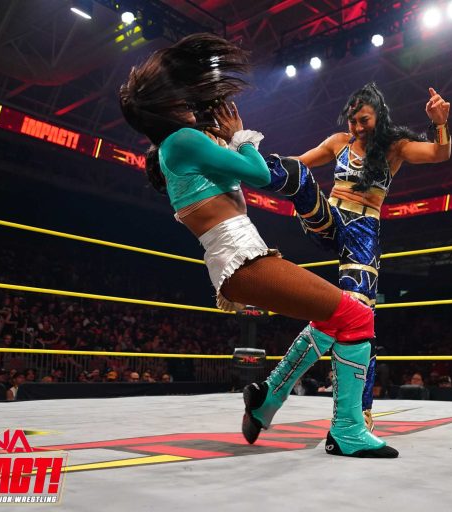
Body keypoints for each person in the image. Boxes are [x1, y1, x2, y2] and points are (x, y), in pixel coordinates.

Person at [119, 33, 396, 458]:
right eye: (184, 100)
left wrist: (228, 139)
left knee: (333, 318)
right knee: (357, 315)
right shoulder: (182, 142)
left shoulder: (178, 147)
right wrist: (240, 135)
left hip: (240, 257)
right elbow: (260, 173)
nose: (192, 105)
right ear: (168, 105)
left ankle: (268, 398)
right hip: (241, 259)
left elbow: (236, 174)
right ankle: (348, 430)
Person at [260, 82, 451, 426]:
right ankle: (235, 166)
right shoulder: (339, 142)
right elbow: (297, 163)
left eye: (364, 120)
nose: (358, 127)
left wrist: (440, 123)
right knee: (295, 173)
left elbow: (439, 154)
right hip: (330, 217)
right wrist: (253, 163)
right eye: (353, 121)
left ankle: (360, 410)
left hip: (363, 230)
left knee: (360, 314)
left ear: (379, 116)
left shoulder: (395, 147)